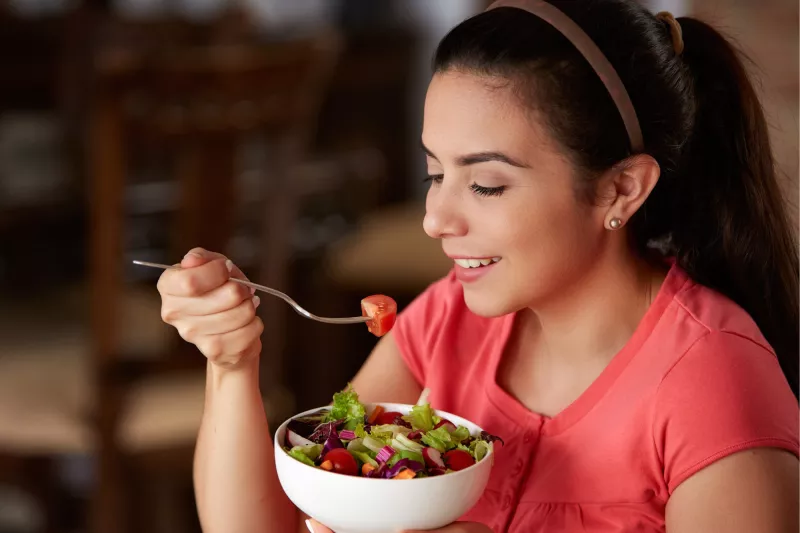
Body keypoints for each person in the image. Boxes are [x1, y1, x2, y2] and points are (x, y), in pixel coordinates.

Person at [155, 0, 799, 531]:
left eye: (486, 185)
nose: (436, 219)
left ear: (620, 189)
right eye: (436, 172)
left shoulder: (713, 383)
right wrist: (232, 364)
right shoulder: (449, 318)